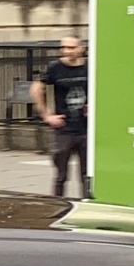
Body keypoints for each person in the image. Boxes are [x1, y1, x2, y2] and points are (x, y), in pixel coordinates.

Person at [33, 35, 91, 199]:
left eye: (72, 47)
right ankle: (58, 203)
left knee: (87, 174)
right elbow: (36, 89)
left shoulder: (90, 67)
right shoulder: (55, 67)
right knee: (61, 174)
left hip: (86, 127)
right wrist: (47, 115)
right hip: (64, 128)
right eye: (64, 47)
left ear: (81, 49)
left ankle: (87, 203)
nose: (67, 51)